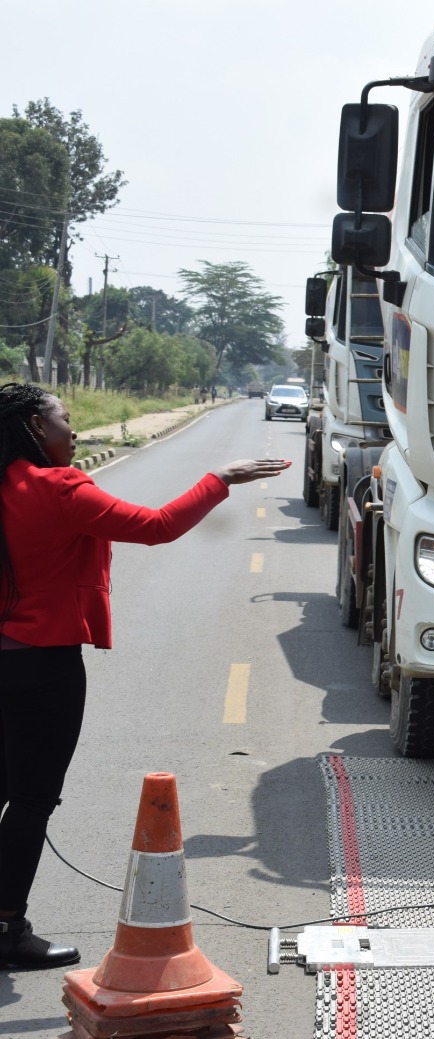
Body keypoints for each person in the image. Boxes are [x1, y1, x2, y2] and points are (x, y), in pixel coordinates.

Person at [0, 382, 290, 970]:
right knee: (31, 800)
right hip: (41, 664)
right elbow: (156, 525)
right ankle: (7, 928)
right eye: (65, 420)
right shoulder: (60, 489)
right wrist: (221, 479)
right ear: (35, 427)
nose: (73, 431)